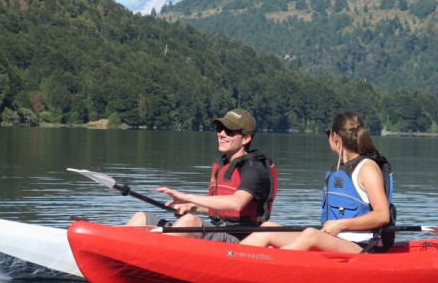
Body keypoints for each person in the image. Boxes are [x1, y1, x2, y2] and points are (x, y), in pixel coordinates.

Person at [240, 112, 393, 253]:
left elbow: (382, 215)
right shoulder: (340, 168)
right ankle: (230, 258)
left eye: (328, 134)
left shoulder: (367, 168)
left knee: (311, 235)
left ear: (335, 138)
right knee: (268, 228)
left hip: (361, 246)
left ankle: (268, 267)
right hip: (333, 241)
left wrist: (341, 224)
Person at [126, 108, 277, 242]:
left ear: (246, 139)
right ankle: (116, 253)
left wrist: (188, 197)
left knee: (190, 222)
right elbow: (218, 208)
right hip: (216, 229)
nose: (221, 134)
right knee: (141, 218)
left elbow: (236, 204)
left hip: (239, 239)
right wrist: (191, 206)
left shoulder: (254, 169)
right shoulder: (223, 164)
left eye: (229, 131)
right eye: (220, 128)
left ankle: (147, 258)